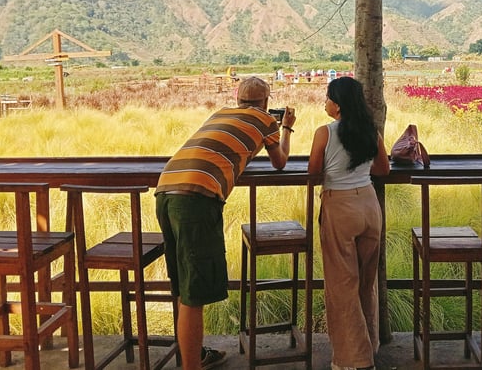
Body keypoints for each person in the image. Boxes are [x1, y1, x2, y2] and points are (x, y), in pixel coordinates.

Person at [155, 76, 296, 370]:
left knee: (183, 286)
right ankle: (191, 366)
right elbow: (280, 161)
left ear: (237, 99)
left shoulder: (219, 113)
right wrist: (287, 128)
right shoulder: (265, 120)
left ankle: (196, 355)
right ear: (267, 102)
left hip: (166, 190)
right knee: (194, 293)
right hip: (197, 197)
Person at [307, 77, 390, 370]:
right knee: (366, 283)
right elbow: (383, 169)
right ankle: (370, 347)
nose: (325, 102)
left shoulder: (324, 134)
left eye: (328, 97)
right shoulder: (370, 132)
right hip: (369, 205)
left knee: (342, 286)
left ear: (338, 105)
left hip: (339, 208)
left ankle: (353, 360)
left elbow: (313, 172)